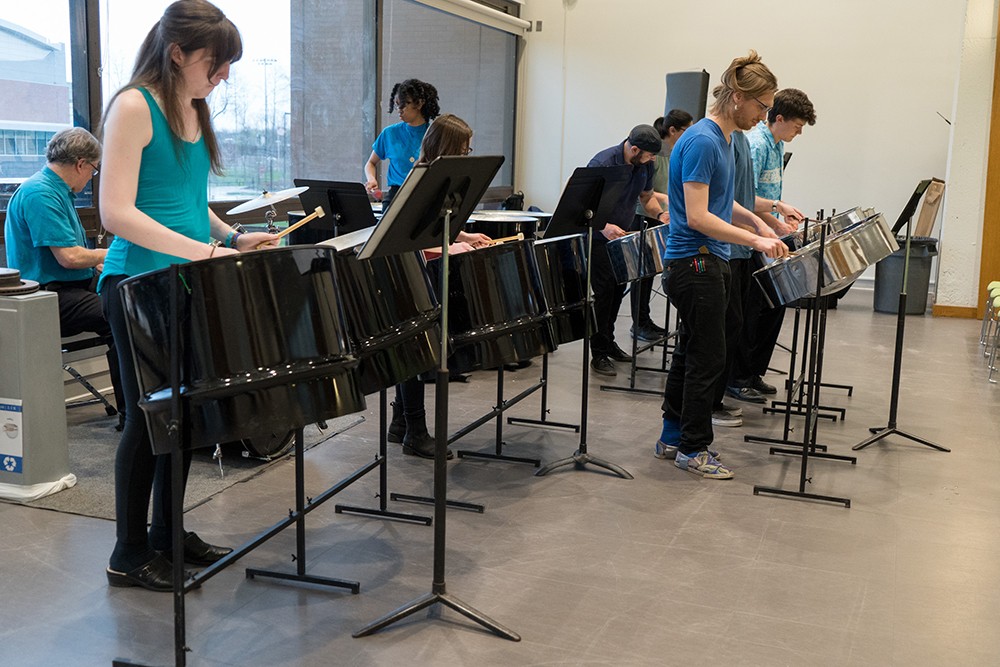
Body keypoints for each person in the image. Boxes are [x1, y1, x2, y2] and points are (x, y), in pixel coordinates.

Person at [97, 0, 279, 592]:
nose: (223, 74)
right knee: (148, 421)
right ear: (178, 53)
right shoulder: (133, 105)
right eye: (216, 62)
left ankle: (167, 536)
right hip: (135, 283)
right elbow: (116, 212)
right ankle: (128, 554)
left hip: (182, 278)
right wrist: (204, 252)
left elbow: (182, 198)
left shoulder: (193, 108)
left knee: (185, 418)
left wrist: (231, 236)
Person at [655, 50, 788, 480]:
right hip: (694, 263)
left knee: (693, 352)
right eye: (761, 105)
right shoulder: (703, 140)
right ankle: (693, 449)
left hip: (708, 261)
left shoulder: (726, 140)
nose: (763, 114)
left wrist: (755, 221)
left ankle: (672, 435)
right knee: (708, 358)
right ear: (736, 98)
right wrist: (753, 239)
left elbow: (719, 202)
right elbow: (697, 215)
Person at [385, 113, 489, 459]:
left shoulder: (436, 179)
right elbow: (411, 239)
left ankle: (400, 422)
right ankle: (415, 432)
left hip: (421, 270)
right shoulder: (419, 182)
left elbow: (437, 225)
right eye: (463, 148)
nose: (468, 153)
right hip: (408, 274)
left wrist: (465, 235)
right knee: (416, 354)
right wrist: (456, 247)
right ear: (446, 148)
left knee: (414, 353)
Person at [4, 127, 124, 421]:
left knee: (133, 295)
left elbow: (77, 257)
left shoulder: (56, 190)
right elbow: (69, 257)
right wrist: (114, 255)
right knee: (121, 316)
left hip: (70, 285)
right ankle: (131, 413)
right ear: (82, 163)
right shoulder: (40, 194)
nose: (90, 179)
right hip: (48, 294)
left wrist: (103, 263)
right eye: (93, 171)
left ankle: (143, 405)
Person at [730, 88, 817, 401]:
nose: (799, 131)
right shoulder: (755, 145)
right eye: (796, 125)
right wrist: (775, 213)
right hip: (747, 239)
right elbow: (741, 198)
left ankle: (754, 373)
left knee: (774, 307)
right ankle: (737, 378)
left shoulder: (777, 144)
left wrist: (779, 220)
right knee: (751, 312)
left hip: (765, 235)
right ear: (778, 118)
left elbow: (763, 199)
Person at [586, 125, 670, 377]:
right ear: (634, 149)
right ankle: (598, 353)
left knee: (618, 289)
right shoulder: (602, 163)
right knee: (603, 293)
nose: (652, 160)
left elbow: (646, 197)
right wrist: (603, 226)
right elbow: (583, 205)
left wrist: (660, 213)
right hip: (598, 234)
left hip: (622, 233)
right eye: (649, 156)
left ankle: (608, 341)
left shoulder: (643, 164)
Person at [630, 110, 694, 343]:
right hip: (642, 217)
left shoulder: (678, 152)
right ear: (673, 131)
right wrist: (670, 200)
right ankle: (640, 322)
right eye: (686, 130)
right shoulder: (655, 156)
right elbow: (645, 192)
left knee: (653, 273)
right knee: (642, 274)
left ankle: (644, 320)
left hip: (661, 215)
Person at [364, 79, 440, 206]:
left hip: (426, 197)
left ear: (420, 104)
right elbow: (371, 163)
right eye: (397, 104)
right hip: (396, 196)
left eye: (404, 104)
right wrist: (371, 179)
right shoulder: (389, 133)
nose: (399, 109)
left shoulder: (435, 134)